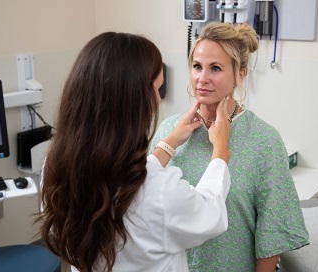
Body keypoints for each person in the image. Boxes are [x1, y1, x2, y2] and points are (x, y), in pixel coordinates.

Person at [35, 31, 234, 272]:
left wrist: (169, 143)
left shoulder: (55, 165)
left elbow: (124, 177)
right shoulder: (158, 190)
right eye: (157, 90)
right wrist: (221, 152)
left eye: (215, 68)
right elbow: (208, 214)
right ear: (133, 101)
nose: (159, 101)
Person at [150, 22, 309, 272]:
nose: (202, 78)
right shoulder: (169, 130)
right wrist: (169, 141)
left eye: (215, 68)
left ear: (240, 74)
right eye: (197, 66)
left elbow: (273, 232)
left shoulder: (264, 140)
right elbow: (142, 203)